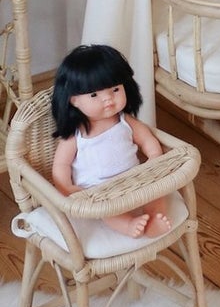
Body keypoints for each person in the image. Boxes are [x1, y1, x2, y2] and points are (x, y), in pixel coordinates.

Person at [50, 43, 173, 239]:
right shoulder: (77, 134)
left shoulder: (124, 120)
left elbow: (146, 138)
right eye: (94, 95)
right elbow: (61, 164)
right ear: (74, 100)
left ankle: (154, 218)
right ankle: (128, 225)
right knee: (106, 212)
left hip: (134, 181)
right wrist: (66, 187)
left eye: (115, 89)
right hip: (99, 192)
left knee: (157, 191)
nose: (108, 99)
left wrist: (154, 157)